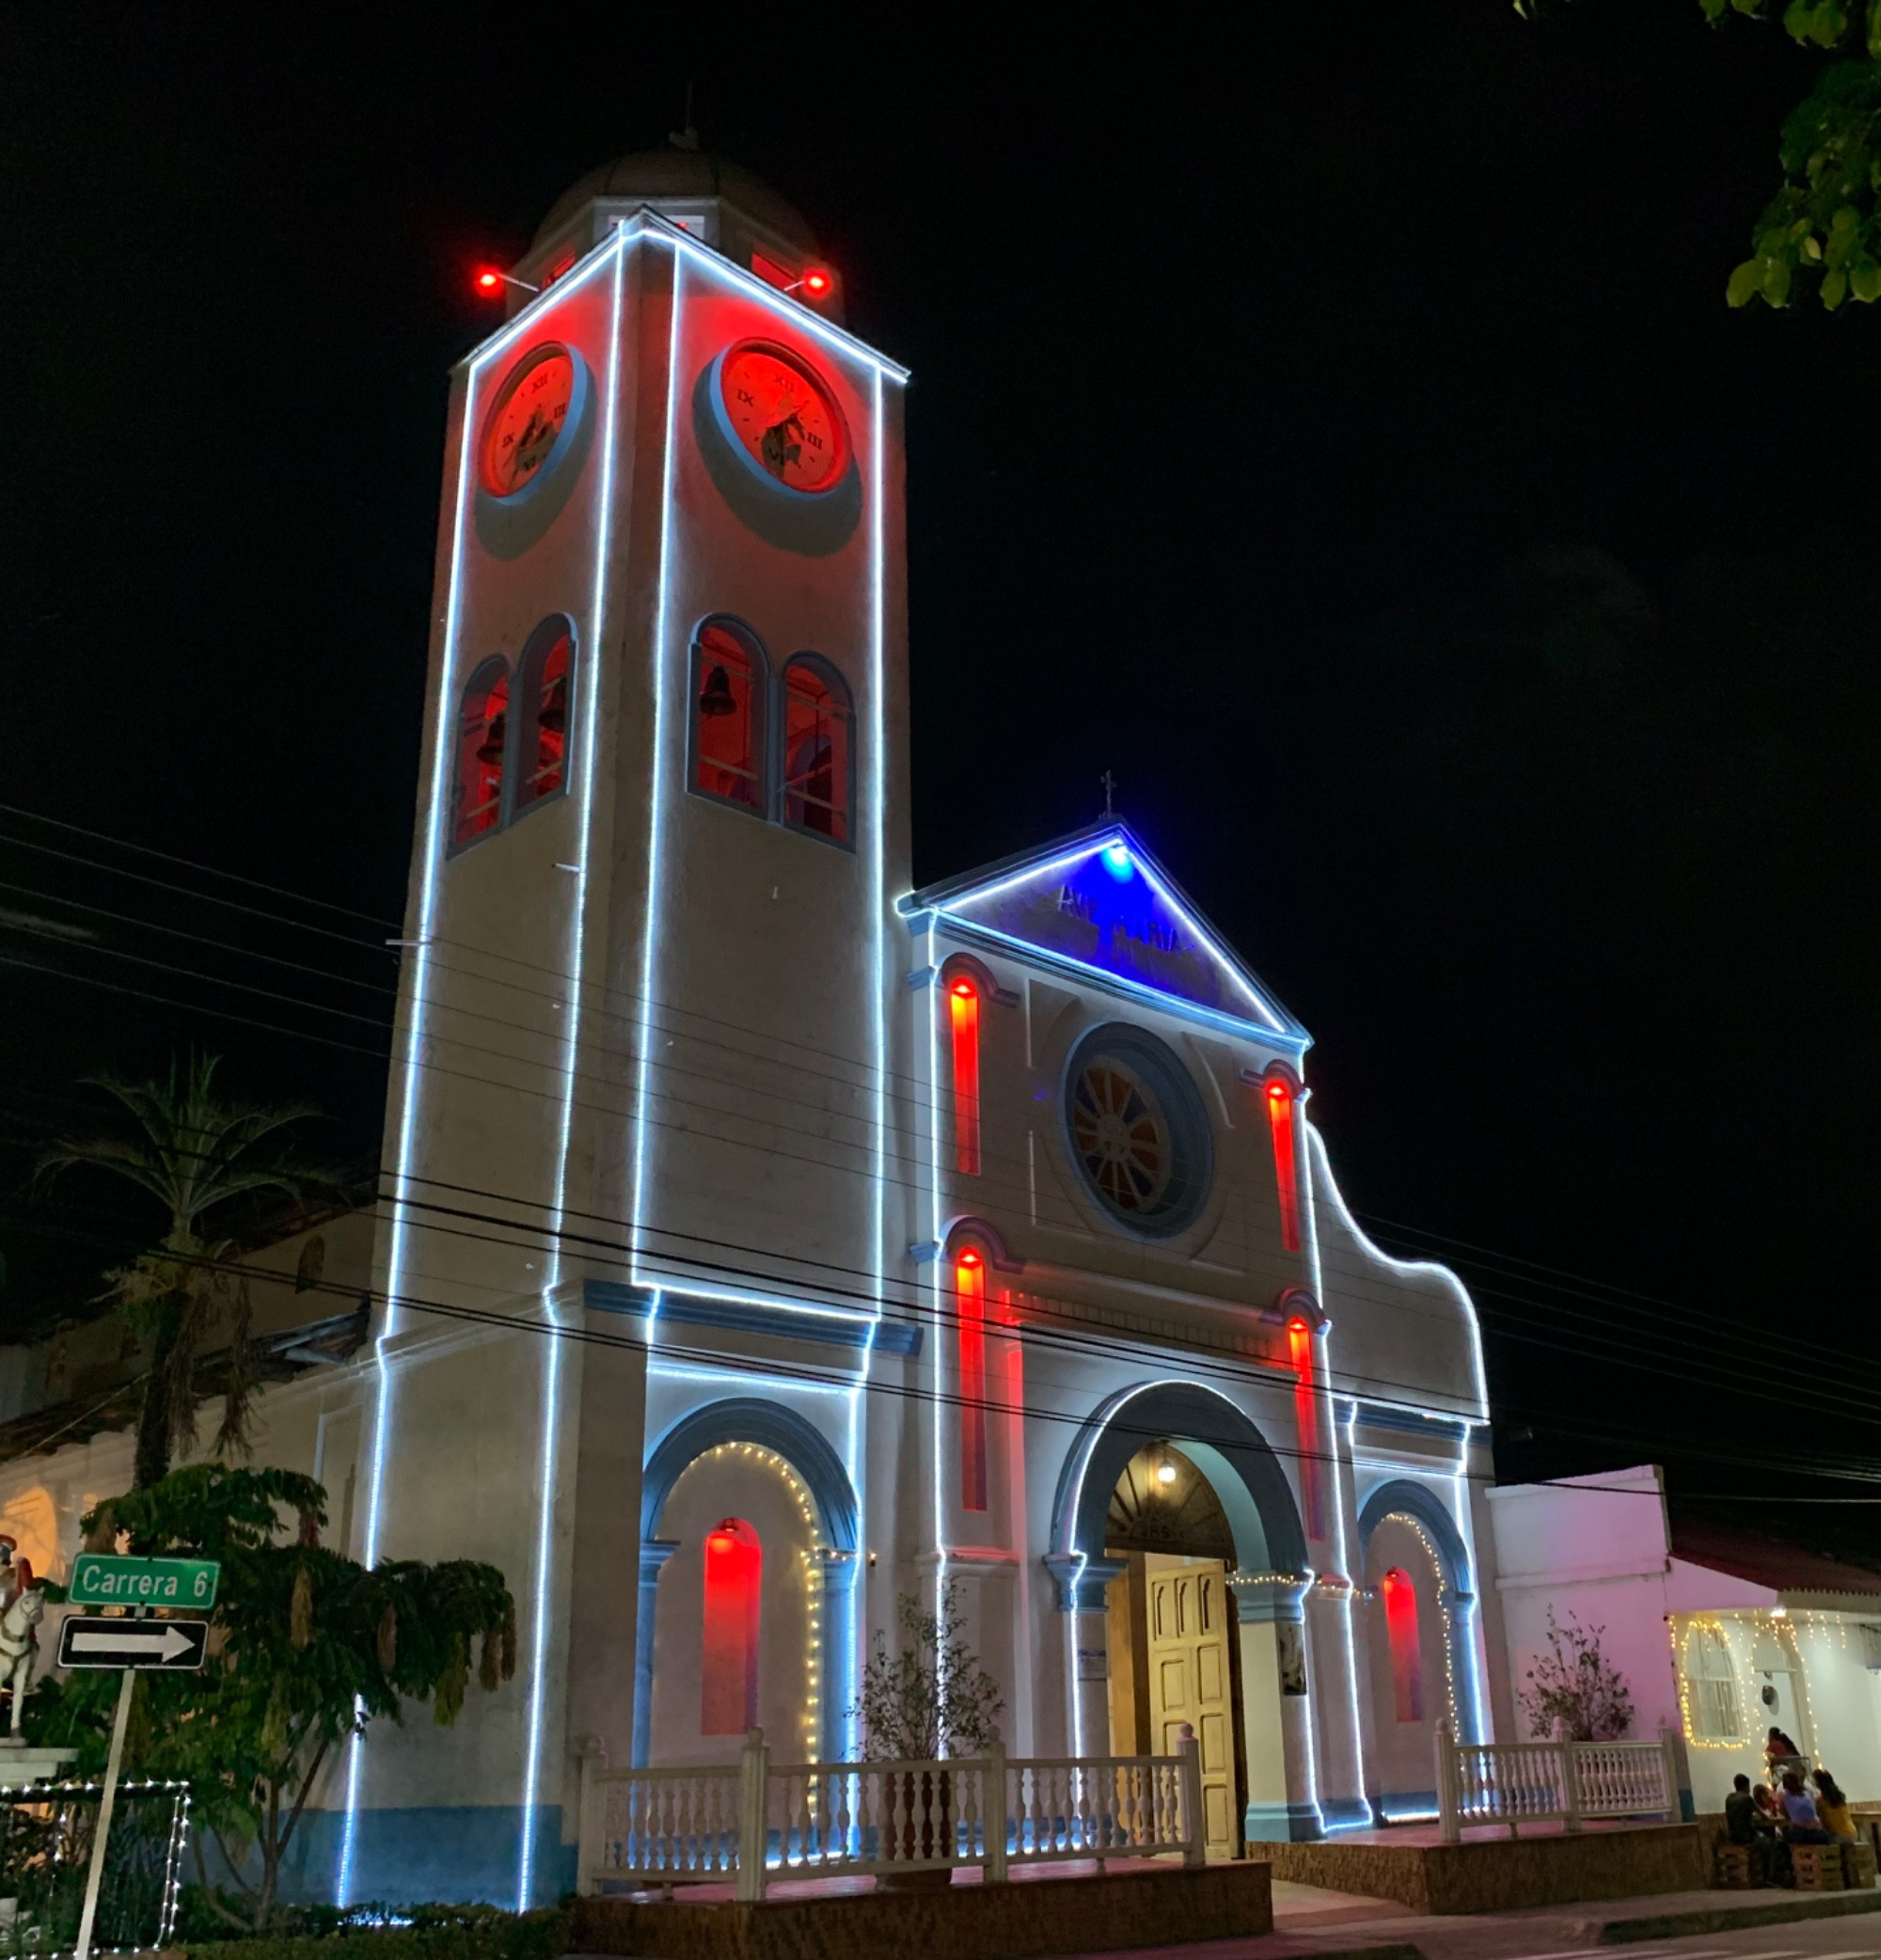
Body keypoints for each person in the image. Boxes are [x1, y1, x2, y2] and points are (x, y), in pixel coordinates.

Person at [1725, 1774, 1776, 1883]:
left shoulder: (1729, 1798)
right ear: (1746, 1786)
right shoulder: (1747, 1798)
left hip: (1733, 1837)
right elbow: (1764, 1816)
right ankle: (1768, 1877)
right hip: (1747, 1837)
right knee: (1769, 1843)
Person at [1780, 1770, 1831, 1844]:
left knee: (1785, 1839)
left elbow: (1785, 1813)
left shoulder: (1785, 1796)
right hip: (1818, 1833)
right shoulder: (1807, 1793)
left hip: (1801, 1835)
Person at [1813, 1768, 1857, 1841]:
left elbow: (1822, 1821)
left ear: (1818, 1784)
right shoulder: (1839, 1796)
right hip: (1852, 1832)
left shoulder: (1821, 1801)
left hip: (1839, 1836)